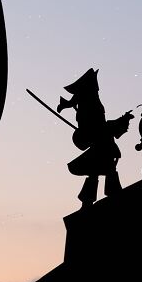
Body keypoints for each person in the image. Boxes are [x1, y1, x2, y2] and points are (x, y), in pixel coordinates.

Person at [57, 69, 133, 209]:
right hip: (100, 142)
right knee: (102, 170)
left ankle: (96, 198)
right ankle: (98, 198)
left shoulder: (91, 101)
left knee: (102, 170)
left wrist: (119, 121)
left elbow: (102, 125)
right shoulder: (89, 103)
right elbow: (99, 126)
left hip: (102, 142)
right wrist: (119, 122)